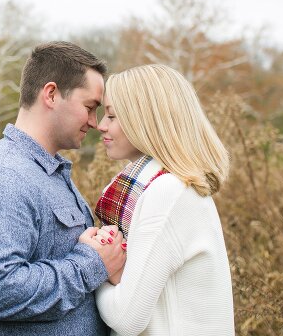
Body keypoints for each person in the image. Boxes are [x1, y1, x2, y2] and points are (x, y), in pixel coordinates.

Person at [0, 41, 126, 336]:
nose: (95, 123)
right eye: (89, 107)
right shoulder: (3, 178)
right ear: (52, 94)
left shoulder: (47, 172)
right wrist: (90, 264)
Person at [91, 64, 234, 335]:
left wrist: (98, 261)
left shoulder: (168, 193)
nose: (101, 125)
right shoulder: (163, 187)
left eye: (112, 115)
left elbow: (126, 317)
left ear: (144, 120)